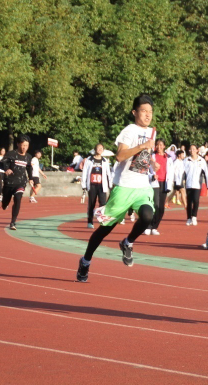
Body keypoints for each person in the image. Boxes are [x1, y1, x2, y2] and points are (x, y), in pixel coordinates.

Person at [76, 94, 158, 282]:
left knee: (147, 216)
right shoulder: (129, 130)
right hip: (124, 188)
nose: (148, 115)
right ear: (134, 112)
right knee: (104, 230)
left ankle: (127, 242)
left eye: (150, 112)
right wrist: (142, 145)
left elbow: (144, 156)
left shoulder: (152, 132)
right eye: (144, 111)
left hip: (142, 187)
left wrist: (153, 163)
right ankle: (86, 261)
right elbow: (120, 156)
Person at [0, 135, 34, 230]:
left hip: (21, 182)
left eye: (26, 145)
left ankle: (13, 222)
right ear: (18, 144)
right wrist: (6, 169)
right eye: (23, 145)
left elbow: (29, 168)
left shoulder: (28, 157)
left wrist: (31, 178)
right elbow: (0, 163)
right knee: (5, 203)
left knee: (18, 199)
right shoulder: (11, 154)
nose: (25, 147)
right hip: (9, 182)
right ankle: (4, 204)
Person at [146, 139, 174, 235]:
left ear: (164, 146)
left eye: (161, 145)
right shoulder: (151, 156)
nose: (159, 147)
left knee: (161, 208)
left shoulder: (168, 158)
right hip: (154, 183)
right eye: (157, 145)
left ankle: (155, 226)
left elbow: (171, 171)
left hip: (164, 183)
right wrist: (152, 176)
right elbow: (147, 170)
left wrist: (170, 183)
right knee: (155, 205)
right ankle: (148, 226)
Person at [81, 144, 112, 228]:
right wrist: (83, 184)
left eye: (101, 148)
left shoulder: (105, 161)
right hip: (92, 185)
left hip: (102, 185)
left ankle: (102, 221)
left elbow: (108, 173)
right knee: (91, 204)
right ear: (95, 149)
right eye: (98, 148)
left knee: (103, 204)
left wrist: (110, 184)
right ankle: (90, 221)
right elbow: (85, 172)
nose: (100, 150)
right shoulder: (89, 160)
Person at [182, 144, 208, 226]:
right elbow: (182, 171)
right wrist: (182, 181)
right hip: (188, 184)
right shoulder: (186, 160)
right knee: (189, 201)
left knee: (196, 200)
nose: (192, 151)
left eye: (194, 149)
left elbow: (206, 172)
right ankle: (189, 218)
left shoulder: (201, 160)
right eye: (191, 149)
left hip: (197, 184)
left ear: (197, 150)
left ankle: (194, 216)